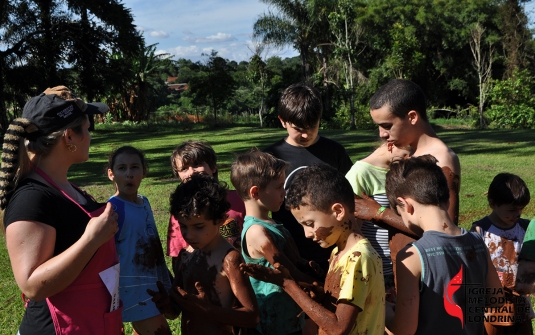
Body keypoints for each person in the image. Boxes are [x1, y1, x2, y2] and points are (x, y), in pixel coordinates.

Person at [0, 86, 122, 334]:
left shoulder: (61, 186)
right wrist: (91, 239)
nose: (89, 136)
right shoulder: (32, 198)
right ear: (69, 137)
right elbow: (32, 285)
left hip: (90, 322)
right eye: (86, 129)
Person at [241, 163, 386, 335]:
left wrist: (287, 284)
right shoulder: (339, 252)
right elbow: (338, 310)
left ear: (338, 211)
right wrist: (322, 297)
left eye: (309, 224)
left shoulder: (358, 258)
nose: (307, 234)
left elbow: (338, 328)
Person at [384, 155, 503, 335]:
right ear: (447, 200)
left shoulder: (412, 256)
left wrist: (384, 310)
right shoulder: (477, 242)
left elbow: (404, 330)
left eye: (399, 212)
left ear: (405, 204)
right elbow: (496, 299)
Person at [355, 79, 461, 278]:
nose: (382, 134)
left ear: (412, 116)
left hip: (427, 273)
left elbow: (444, 231)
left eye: (387, 125)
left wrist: (378, 212)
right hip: (405, 273)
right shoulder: (410, 154)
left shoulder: (441, 158)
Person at [148, 173, 259, 334]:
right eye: (183, 226)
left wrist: (207, 310)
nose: (189, 235)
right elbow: (177, 310)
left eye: (199, 227)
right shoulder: (184, 256)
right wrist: (166, 304)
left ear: (221, 219)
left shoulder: (229, 259)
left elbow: (252, 316)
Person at [264, 83, 353, 274]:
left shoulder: (334, 152)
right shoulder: (270, 157)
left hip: (335, 250)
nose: (306, 134)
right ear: (282, 121)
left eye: (312, 126)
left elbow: (352, 197)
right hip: (291, 253)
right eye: (298, 128)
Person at [231, 150, 319, 335]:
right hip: (271, 325)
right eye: (279, 187)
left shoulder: (271, 224)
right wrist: (319, 286)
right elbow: (289, 271)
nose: (284, 192)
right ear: (255, 192)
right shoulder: (256, 232)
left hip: (287, 319)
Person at [106, 146, 172, 335]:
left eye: (135, 167)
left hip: (152, 282)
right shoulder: (113, 210)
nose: (129, 174)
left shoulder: (145, 202)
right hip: (133, 291)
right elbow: (106, 256)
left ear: (144, 171)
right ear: (111, 174)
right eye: (122, 168)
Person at [345, 141, 410, 303]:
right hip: (377, 266)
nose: (409, 159)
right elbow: (351, 224)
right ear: (390, 146)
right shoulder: (361, 172)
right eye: (405, 154)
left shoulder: (400, 170)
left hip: (404, 262)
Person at [471, 173, 533, 334]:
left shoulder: (526, 228)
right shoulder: (480, 230)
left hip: (520, 302)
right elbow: (472, 267)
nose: (518, 214)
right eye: (512, 210)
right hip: (491, 305)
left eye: (521, 208)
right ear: (492, 204)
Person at [167, 140, 244, 258]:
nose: (192, 172)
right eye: (184, 169)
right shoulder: (180, 209)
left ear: (213, 167)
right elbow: (178, 254)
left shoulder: (239, 200)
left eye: (197, 164)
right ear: (178, 175)